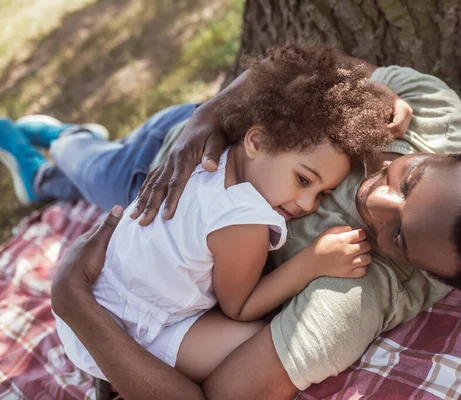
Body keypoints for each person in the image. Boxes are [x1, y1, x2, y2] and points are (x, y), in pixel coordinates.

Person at [4, 50, 461, 398]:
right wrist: (209, 115)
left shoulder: (357, 292)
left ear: (419, 267)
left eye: (399, 237)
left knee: (87, 174)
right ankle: (66, 140)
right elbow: (311, 71)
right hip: (184, 149)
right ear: (445, 156)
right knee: (94, 160)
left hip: (149, 208)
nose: (377, 200)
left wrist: (73, 298)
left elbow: (224, 392)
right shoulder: (429, 111)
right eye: (409, 178)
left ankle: (47, 165)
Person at [51, 42, 396, 383]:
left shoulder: (216, 155)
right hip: (125, 329)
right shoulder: (244, 220)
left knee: (87, 162)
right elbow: (239, 307)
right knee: (252, 344)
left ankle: (64, 142)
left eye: (323, 193)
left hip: (105, 292)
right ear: (256, 142)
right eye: (303, 179)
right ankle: (62, 142)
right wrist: (313, 262)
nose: (307, 204)